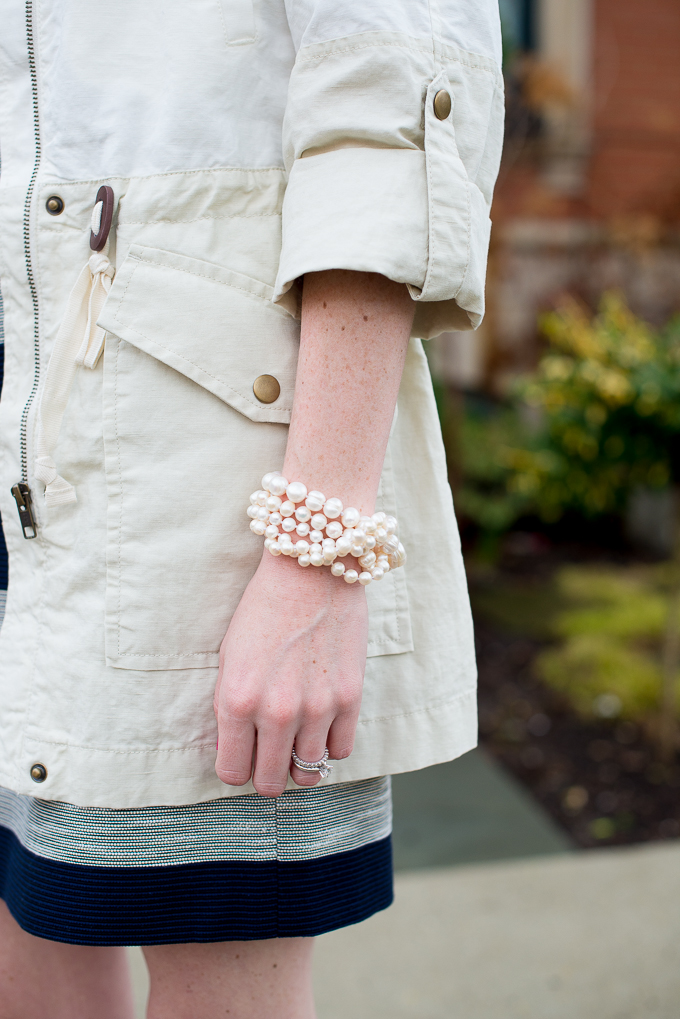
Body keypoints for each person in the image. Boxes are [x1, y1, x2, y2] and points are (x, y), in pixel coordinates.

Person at [0, 1, 503, 1015]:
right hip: (27, 385)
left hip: (182, 458)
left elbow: (393, 111)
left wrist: (317, 551)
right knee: (28, 915)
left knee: (212, 938)